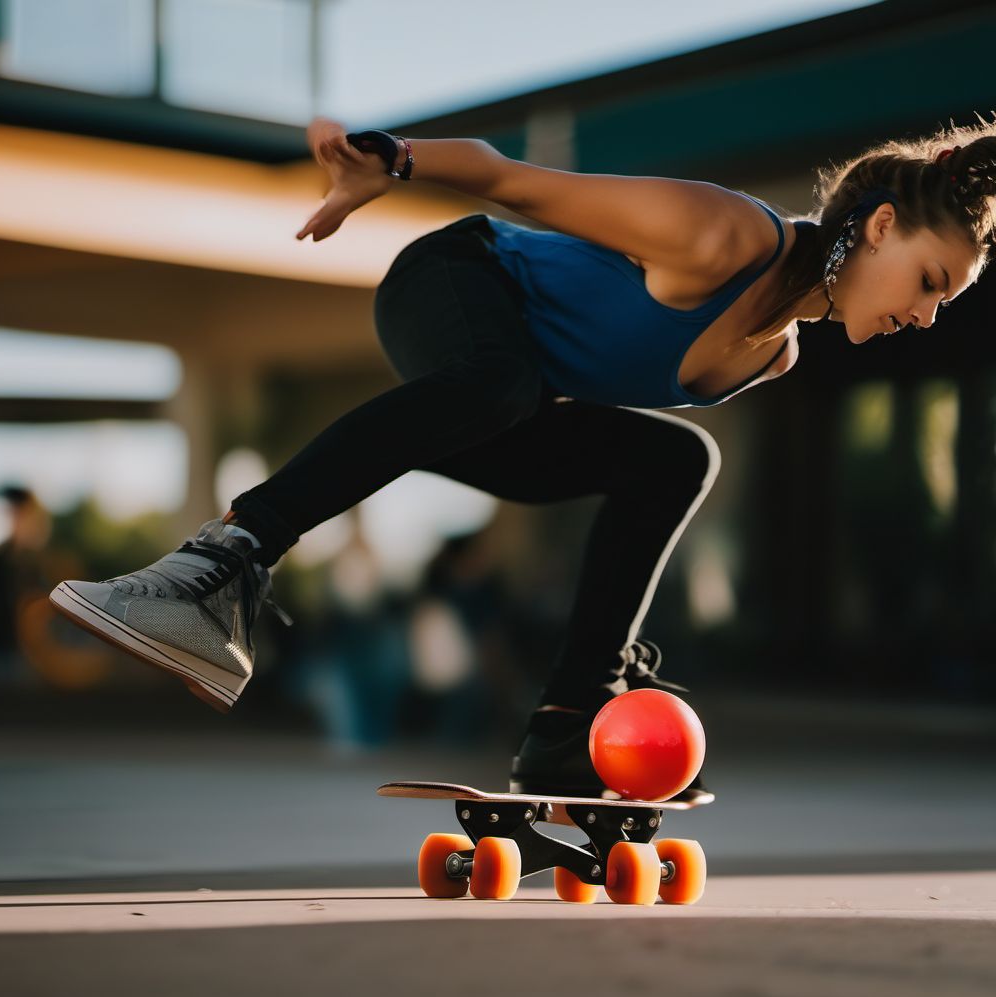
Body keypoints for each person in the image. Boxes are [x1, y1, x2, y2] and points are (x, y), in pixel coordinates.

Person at [50, 113, 993, 800]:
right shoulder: (726, 236)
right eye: (929, 281)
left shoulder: (776, 354)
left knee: (674, 460)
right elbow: (514, 182)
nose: (927, 313)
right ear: (876, 228)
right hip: (455, 281)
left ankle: (564, 724)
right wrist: (396, 160)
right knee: (496, 387)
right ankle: (211, 566)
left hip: (506, 397)